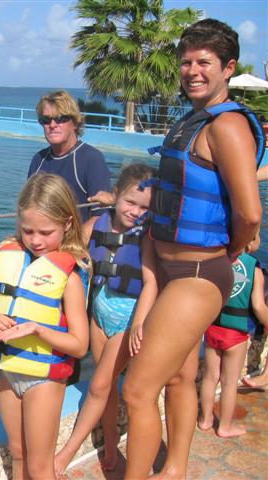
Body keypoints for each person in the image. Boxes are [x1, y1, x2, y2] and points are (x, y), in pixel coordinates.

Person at [122, 19, 264, 480]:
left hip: (198, 274)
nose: (192, 71)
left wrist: (231, 252)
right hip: (171, 271)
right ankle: (174, 470)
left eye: (204, 62)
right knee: (180, 377)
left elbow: (250, 213)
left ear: (228, 67)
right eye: (186, 62)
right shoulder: (192, 120)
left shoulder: (228, 126)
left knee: (137, 391)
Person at [0, 173, 90, 480]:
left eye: (46, 232)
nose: (35, 240)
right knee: (17, 453)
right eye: (27, 230)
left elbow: (80, 346)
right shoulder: (5, 256)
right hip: (10, 372)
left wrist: (38, 329)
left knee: (39, 466)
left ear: (67, 224)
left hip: (43, 380)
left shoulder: (70, 277)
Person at [53, 164, 158, 475]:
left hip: (127, 320)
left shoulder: (147, 237)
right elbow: (69, 251)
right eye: (130, 202)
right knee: (107, 387)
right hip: (99, 316)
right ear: (115, 196)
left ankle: (66, 454)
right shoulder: (95, 224)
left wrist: (139, 323)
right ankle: (110, 443)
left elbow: (151, 282)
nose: (135, 212)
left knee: (98, 386)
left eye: (144, 207)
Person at [199, 233, 268, 437]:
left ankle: (205, 420)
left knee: (210, 377)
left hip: (213, 328)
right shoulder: (254, 267)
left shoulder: (216, 260)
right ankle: (225, 426)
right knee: (229, 383)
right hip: (235, 334)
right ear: (250, 241)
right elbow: (258, 306)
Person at [28, 90, 111, 222]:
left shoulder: (91, 159)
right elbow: (28, 210)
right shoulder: (38, 159)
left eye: (60, 119)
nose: (52, 125)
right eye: (46, 120)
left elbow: (100, 217)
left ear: (75, 123)